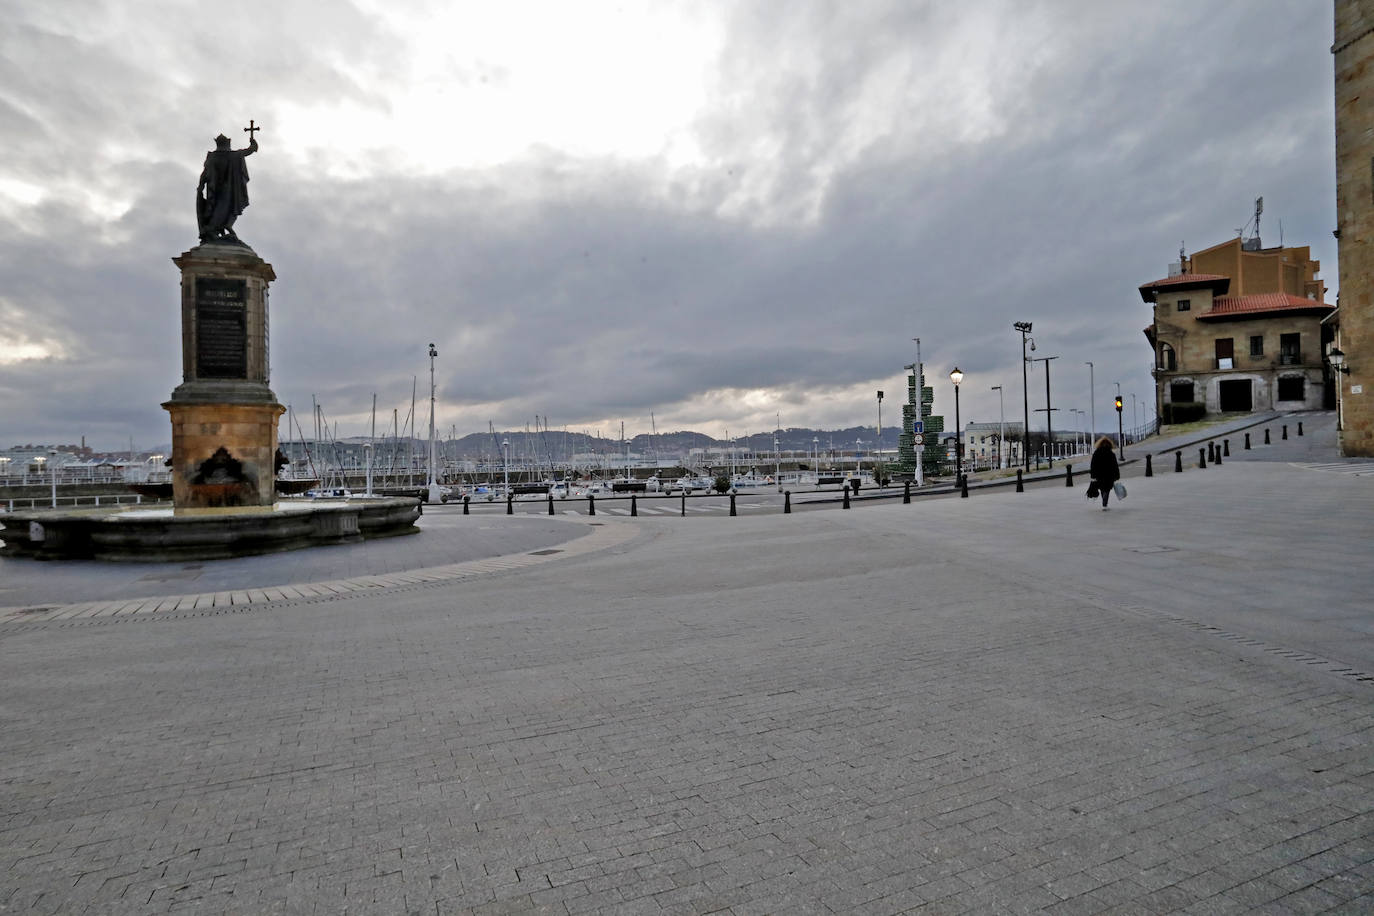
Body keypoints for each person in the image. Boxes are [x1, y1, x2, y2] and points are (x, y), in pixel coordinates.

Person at [196, 133, 257, 243]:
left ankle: (218, 228)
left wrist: (201, 186)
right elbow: (250, 150)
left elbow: (204, 174)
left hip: (214, 192)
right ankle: (213, 229)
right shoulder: (234, 155)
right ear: (228, 143)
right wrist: (253, 143)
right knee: (227, 209)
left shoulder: (213, 157)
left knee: (218, 208)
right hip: (229, 192)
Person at [1089, 436, 1120, 510]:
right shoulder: (1111, 453)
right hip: (1109, 475)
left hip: (1099, 475)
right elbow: (1115, 465)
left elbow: (1093, 464)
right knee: (1107, 489)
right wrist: (1117, 475)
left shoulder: (1096, 453)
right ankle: (1105, 503)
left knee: (1102, 488)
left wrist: (1093, 474)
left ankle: (1104, 502)